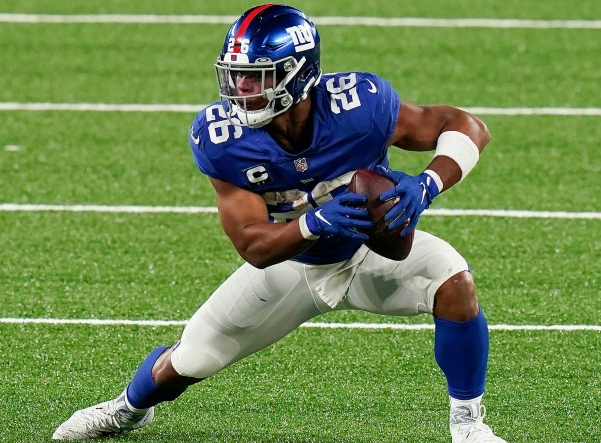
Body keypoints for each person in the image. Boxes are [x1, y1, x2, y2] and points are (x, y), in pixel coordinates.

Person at [53, 4, 506, 442]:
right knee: (191, 359)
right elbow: (253, 245)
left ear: (300, 72)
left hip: (368, 252)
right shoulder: (223, 140)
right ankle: (128, 409)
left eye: (257, 76)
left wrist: (428, 182)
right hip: (292, 264)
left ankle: (468, 425)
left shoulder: (358, 105)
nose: (242, 88)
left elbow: (464, 125)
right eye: (235, 75)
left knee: (455, 284)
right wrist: (314, 224)